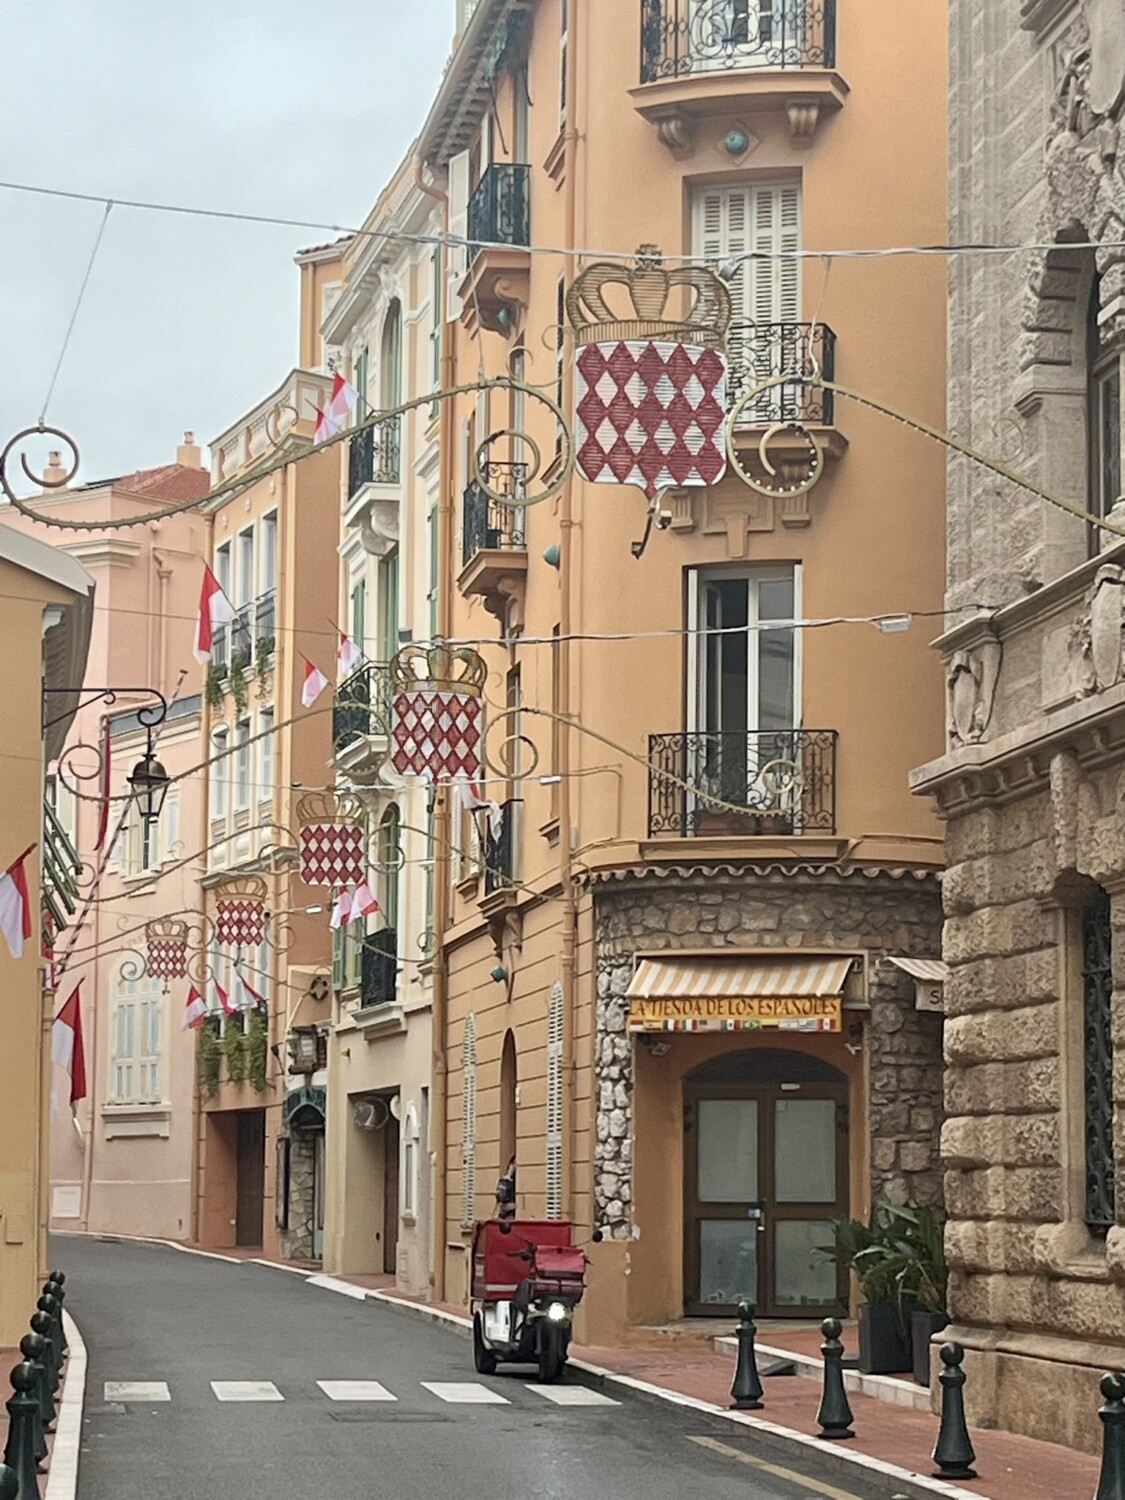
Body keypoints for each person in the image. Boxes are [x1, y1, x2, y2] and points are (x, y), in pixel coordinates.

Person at [495, 1156, 517, 1220]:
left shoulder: (516, 1182)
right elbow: (500, 1198)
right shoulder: (506, 1181)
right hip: (507, 1217)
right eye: (515, 1164)